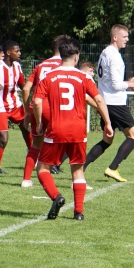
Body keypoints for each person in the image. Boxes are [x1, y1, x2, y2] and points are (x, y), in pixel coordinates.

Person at [33, 38, 114, 221]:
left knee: (42, 169)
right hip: (78, 130)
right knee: (77, 170)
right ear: (76, 57)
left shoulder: (49, 76)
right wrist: (107, 123)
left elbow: (37, 100)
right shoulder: (83, 77)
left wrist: (39, 123)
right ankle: (78, 212)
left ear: (61, 55)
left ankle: (56, 196)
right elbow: (99, 100)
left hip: (56, 128)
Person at [84, 24, 134, 182]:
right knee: (133, 136)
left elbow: (108, 81)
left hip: (106, 102)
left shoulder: (104, 52)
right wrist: (129, 84)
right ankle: (113, 168)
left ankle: (81, 168)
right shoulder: (115, 56)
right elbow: (115, 85)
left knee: (107, 139)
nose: (127, 40)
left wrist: (128, 82)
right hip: (116, 103)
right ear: (115, 37)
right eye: (124, 37)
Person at [21, 36, 67, 187]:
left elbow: (26, 88)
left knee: (36, 145)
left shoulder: (41, 65)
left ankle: (26, 179)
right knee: (71, 141)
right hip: (55, 107)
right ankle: (77, 180)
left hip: (37, 106)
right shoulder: (64, 64)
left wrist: (28, 111)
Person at [0, 40, 30, 179]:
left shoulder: (17, 66)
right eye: (17, 51)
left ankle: (33, 154)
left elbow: (22, 85)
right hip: (0, 107)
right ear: (8, 52)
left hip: (15, 105)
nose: (19, 53)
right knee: (3, 139)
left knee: (27, 128)